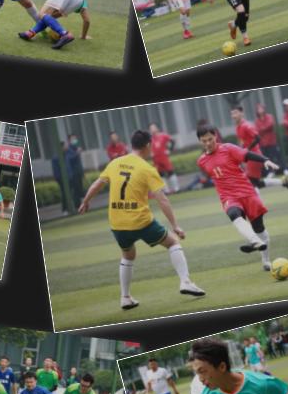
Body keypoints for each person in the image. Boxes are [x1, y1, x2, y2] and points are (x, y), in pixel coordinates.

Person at [79, 129, 205, 310]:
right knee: (173, 243)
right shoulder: (147, 169)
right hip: (141, 222)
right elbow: (162, 199)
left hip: (117, 223)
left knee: (128, 255)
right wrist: (175, 225)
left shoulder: (115, 163)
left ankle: (125, 297)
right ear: (148, 145)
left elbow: (97, 184)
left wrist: (85, 201)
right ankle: (185, 282)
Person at [196, 125, 281, 271]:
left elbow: (247, 155)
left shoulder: (228, 148)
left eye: (210, 139)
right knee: (233, 213)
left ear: (215, 136)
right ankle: (254, 241)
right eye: (204, 141)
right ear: (200, 141)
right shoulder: (201, 161)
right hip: (228, 196)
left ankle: (266, 260)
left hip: (247, 192)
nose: (208, 143)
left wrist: (265, 160)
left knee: (259, 228)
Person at [229, 106, 288, 190]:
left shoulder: (246, 125)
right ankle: (282, 182)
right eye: (232, 114)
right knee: (255, 183)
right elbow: (242, 142)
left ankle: (257, 199)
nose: (234, 116)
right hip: (248, 157)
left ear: (242, 113)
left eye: (236, 113)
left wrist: (247, 150)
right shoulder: (238, 127)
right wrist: (241, 155)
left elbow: (257, 138)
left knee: (251, 182)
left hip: (254, 156)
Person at [254, 103, 288, 173]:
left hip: (272, 141)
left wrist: (262, 129)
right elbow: (257, 130)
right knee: (267, 159)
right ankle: (270, 172)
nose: (260, 110)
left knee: (278, 156)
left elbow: (270, 125)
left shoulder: (269, 116)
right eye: (258, 109)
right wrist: (263, 129)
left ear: (264, 109)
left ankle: (285, 169)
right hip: (263, 143)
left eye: (261, 108)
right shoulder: (257, 120)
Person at [149, 123, 179, 193]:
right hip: (156, 159)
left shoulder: (163, 135)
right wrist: (150, 153)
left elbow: (172, 141)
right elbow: (147, 147)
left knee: (170, 172)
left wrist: (169, 150)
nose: (152, 129)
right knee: (160, 174)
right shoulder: (150, 139)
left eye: (153, 127)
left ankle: (176, 188)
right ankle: (166, 190)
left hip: (164, 157)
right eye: (151, 128)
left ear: (157, 128)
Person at [64, 135, 85, 209]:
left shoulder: (76, 148)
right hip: (73, 173)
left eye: (75, 139)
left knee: (80, 188)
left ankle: (82, 204)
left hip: (78, 172)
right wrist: (77, 153)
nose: (75, 140)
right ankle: (77, 206)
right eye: (73, 139)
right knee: (76, 190)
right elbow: (70, 159)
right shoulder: (68, 149)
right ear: (69, 141)